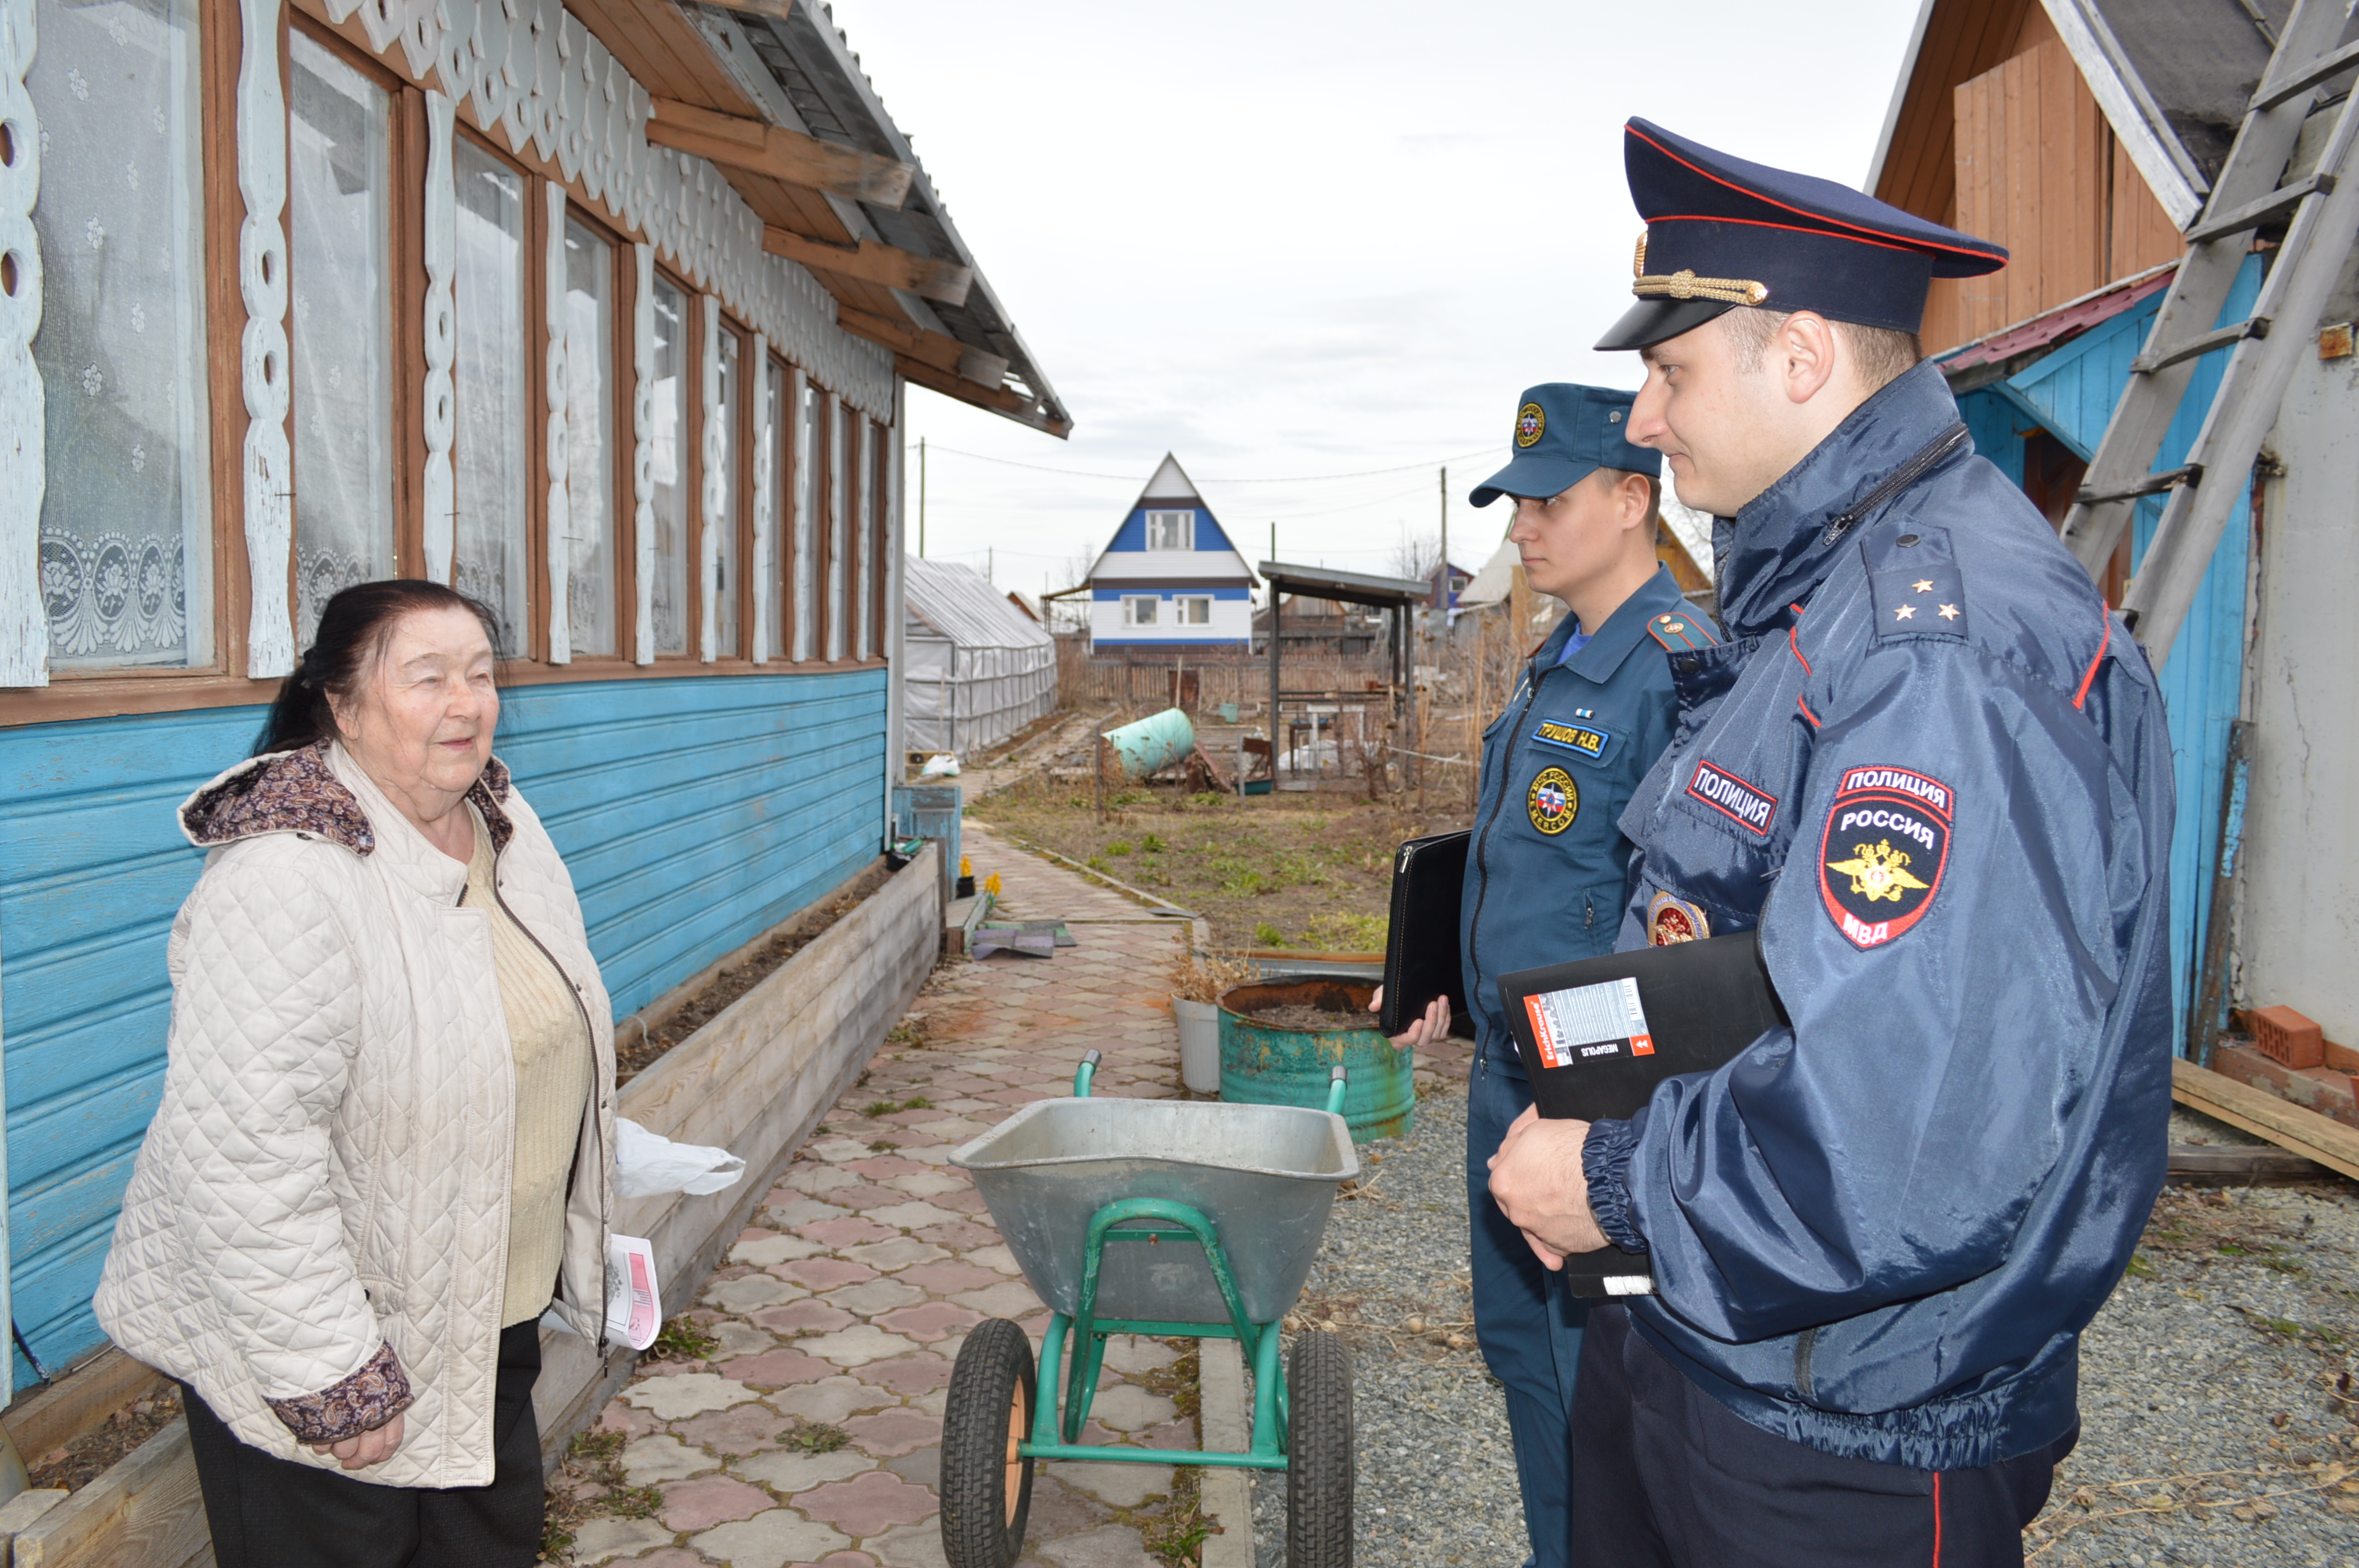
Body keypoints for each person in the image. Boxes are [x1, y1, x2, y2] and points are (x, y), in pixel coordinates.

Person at [1485, 118, 2174, 1566]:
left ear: (1796, 360)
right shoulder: (1817, 602)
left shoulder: (1937, 649)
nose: (1650, 424)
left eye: (1668, 375)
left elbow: (1911, 1135)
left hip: (1841, 1419)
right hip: (1715, 1335)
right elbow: (1748, 955)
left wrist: (1607, 1186)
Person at [96, 580, 619, 1568]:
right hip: (336, 1343)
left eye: (480, 673)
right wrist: (330, 1374)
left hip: (477, 1311)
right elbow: (244, 1156)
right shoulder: (286, 878)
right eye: (427, 678)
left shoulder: (499, 817)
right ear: (340, 702)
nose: (466, 701)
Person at [1379, 382, 1712, 1568]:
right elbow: (1533, 863)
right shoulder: (1552, 659)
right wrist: (1450, 981)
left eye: (1548, 499)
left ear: (1633, 500)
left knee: (1602, 1374)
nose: (1522, 524)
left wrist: (1622, 1121)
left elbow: (1685, 921)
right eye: (1514, 501)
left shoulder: (1678, 672)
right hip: (1509, 1078)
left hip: (1600, 1105)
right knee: (1522, 1347)